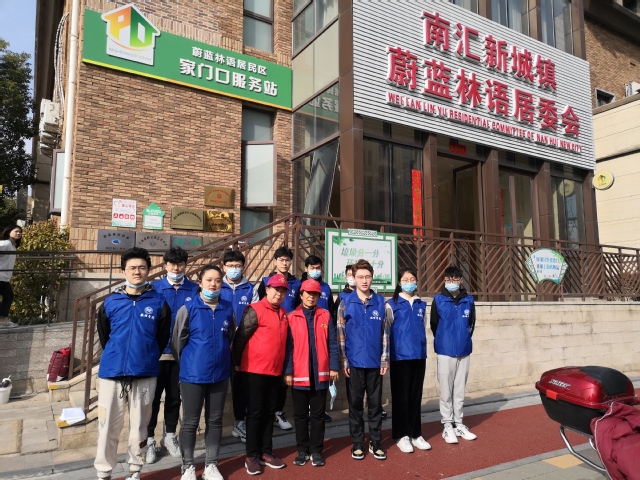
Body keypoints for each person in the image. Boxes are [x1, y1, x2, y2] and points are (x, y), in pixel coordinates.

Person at [95, 247, 171, 480]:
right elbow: (105, 336)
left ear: (148, 271)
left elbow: (161, 338)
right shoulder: (110, 303)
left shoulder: (159, 303)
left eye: (142, 268)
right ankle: (104, 472)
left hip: (145, 373)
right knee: (107, 427)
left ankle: (135, 470)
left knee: (139, 426)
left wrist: (145, 355)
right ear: (123, 271)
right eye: (132, 268)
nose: (137, 272)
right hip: (112, 373)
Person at [171, 265, 234, 480]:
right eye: (209, 280)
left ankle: (211, 465)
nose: (213, 284)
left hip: (220, 374)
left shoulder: (227, 308)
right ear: (200, 282)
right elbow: (177, 343)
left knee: (215, 420)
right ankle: (188, 466)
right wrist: (190, 363)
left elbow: (230, 337)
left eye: (217, 280)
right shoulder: (188, 308)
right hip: (193, 375)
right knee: (190, 421)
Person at [233, 273, 289, 475]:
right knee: (255, 413)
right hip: (254, 371)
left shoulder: (283, 313)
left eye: (283, 291)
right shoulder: (254, 309)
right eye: (276, 289)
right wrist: (236, 363)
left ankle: (266, 451)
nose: (279, 294)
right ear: (268, 289)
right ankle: (251, 455)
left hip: (275, 371)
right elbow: (240, 338)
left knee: (269, 413)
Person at [146, 247, 199, 463]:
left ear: (185, 265)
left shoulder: (194, 289)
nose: (176, 268)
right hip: (157, 354)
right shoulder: (154, 288)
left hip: (182, 354)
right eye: (172, 264)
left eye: (180, 264)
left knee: (175, 398)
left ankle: (169, 436)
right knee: (152, 398)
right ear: (165, 265)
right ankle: (149, 439)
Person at [337, 259, 390, 461]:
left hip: (375, 363)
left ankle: (376, 441)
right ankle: (358, 442)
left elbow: (385, 333)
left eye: (367, 276)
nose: (364, 280)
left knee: (375, 405)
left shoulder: (381, 302)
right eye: (360, 277)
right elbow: (340, 334)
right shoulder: (346, 303)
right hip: (354, 363)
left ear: (372, 278)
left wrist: (384, 359)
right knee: (356, 405)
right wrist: (344, 361)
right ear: (354, 278)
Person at [284, 279, 339, 467]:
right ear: (301, 295)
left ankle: (316, 450)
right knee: (300, 416)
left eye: (315, 294)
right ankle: (302, 450)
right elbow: (288, 348)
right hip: (299, 375)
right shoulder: (291, 317)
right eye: (308, 293)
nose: (311, 297)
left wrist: (333, 367)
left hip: (320, 374)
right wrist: (288, 372)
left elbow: (332, 343)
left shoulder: (325, 315)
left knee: (318, 415)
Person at [430, 265, 477, 444]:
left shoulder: (469, 300)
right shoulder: (439, 300)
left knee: (459, 391)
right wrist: (444, 339)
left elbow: (471, 324)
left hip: (464, 350)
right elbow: (434, 324)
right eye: (448, 280)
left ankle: (459, 423)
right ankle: (447, 425)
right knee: (446, 391)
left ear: (461, 280)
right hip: (445, 351)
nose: (452, 282)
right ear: (444, 280)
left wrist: (463, 339)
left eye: (455, 279)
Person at [387, 269, 431, 453]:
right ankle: (402, 435)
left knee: (415, 396)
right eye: (405, 280)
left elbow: (424, 325)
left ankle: (415, 433)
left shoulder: (421, 304)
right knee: (401, 397)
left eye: (412, 279)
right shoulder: (391, 304)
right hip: (400, 357)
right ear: (399, 283)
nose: (409, 282)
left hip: (419, 355)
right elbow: (387, 329)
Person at [255, 246, 299, 431]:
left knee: (284, 375)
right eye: (281, 260)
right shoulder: (265, 282)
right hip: (268, 334)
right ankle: (265, 413)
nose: (285, 263)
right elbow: (258, 306)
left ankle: (278, 412)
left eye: (288, 260)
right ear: (275, 261)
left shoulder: (296, 283)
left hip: (289, 333)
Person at [220, 250, 259, 443]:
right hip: (219, 345)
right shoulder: (216, 286)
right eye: (230, 266)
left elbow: (256, 316)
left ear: (243, 267)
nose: (234, 269)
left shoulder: (251, 289)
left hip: (243, 347)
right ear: (223, 267)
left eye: (237, 266)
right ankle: (214, 427)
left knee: (240, 386)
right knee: (216, 387)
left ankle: (239, 423)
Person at [295, 255, 336, 423]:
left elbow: (332, 310)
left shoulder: (326, 288)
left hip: (323, 330)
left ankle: (318, 411)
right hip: (302, 336)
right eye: (312, 268)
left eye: (318, 268)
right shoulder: (299, 286)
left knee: (318, 387)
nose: (315, 271)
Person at [0, 224, 22, 328]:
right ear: (9, 232)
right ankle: (2, 320)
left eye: (20, 232)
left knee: (8, 296)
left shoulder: (12, 245)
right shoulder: (6, 243)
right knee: (8, 296)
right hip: (1, 276)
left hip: (3, 277)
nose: (19, 233)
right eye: (16, 231)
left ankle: (3, 320)